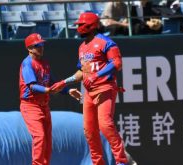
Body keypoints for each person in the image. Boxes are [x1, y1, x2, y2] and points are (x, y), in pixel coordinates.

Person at [51, 12, 128, 165]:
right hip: (89, 93)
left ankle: (121, 161)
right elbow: (81, 72)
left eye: (80, 25)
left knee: (105, 124)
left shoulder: (106, 42)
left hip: (105, 88)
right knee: (89, 130)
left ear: (90, 25)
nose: (78, 27)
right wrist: (64, 82)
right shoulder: (82, 47)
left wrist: (97, 75)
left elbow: (117, 63)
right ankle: (97, 162)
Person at [19, 33, 82, 165]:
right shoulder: (27, 64)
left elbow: (52, 83)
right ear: (29, 48)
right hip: (31, 106)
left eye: (42, 45)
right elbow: (32, 86)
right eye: (37, 45)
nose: (41, 47)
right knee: (40, 137)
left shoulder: (45, 63)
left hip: (44, 105)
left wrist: (67, 90)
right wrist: (48, 90)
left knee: (47, 141)